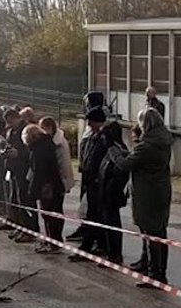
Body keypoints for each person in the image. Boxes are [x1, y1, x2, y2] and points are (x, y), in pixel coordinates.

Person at [112, 107, 173, 286]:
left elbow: (125, 165)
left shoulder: (147, 146)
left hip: (148, 192)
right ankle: (147, 262)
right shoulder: (163, 140)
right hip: (160, 189)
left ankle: (156, 273)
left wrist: (115, 153)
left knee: (151, 232)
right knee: (156, 230)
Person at [73, 108, 110, 260]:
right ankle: (96, 244)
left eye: (91, 121)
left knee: (95, 215)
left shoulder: (105, 139)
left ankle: (91, 246)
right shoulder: (93, 137)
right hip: (90, 181)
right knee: (92, 214)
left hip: (98, 183)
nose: (88, 124)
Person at [25, 123, 65, 254]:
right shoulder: (46, 145)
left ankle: (53, 242)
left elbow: (39, 171)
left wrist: (32, 190)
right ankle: (51, 240)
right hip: (52, 184)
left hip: (48, 186)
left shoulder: (40, 149)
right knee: (50, 214)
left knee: (50, 215)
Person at [97, 121, 131, 265]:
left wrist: (113, 190)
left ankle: (115, 254)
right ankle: (110, 252)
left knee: (113, 224)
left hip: (113, 193)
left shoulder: (118, 150)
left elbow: (120, 171)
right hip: (106, 192)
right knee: (107, 223)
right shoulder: (109, 150)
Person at [3, 109, 38, 242]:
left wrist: (19, 153)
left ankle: (30, 229)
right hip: (14, 169)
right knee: (16, 199)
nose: (10, 125)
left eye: (11, 122)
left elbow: (31, 150)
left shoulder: (27, 130)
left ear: (16, 118)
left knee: (26, 200)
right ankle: (21, 226)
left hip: (24, 170)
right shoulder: (12, 131)